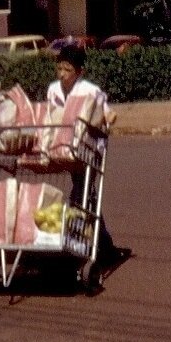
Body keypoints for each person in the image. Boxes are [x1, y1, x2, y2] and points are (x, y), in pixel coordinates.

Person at [46, 44, 129, 284]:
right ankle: (105, 245)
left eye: (68, 69)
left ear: (79, 71)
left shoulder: (91, 91)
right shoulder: (53, 90)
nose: (62, 74)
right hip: (65, 150)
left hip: (89, 151)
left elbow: (107, 116)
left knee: (81, 195)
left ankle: (81, 244)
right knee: (86, 197)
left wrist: (105, 118)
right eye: (59, 68)